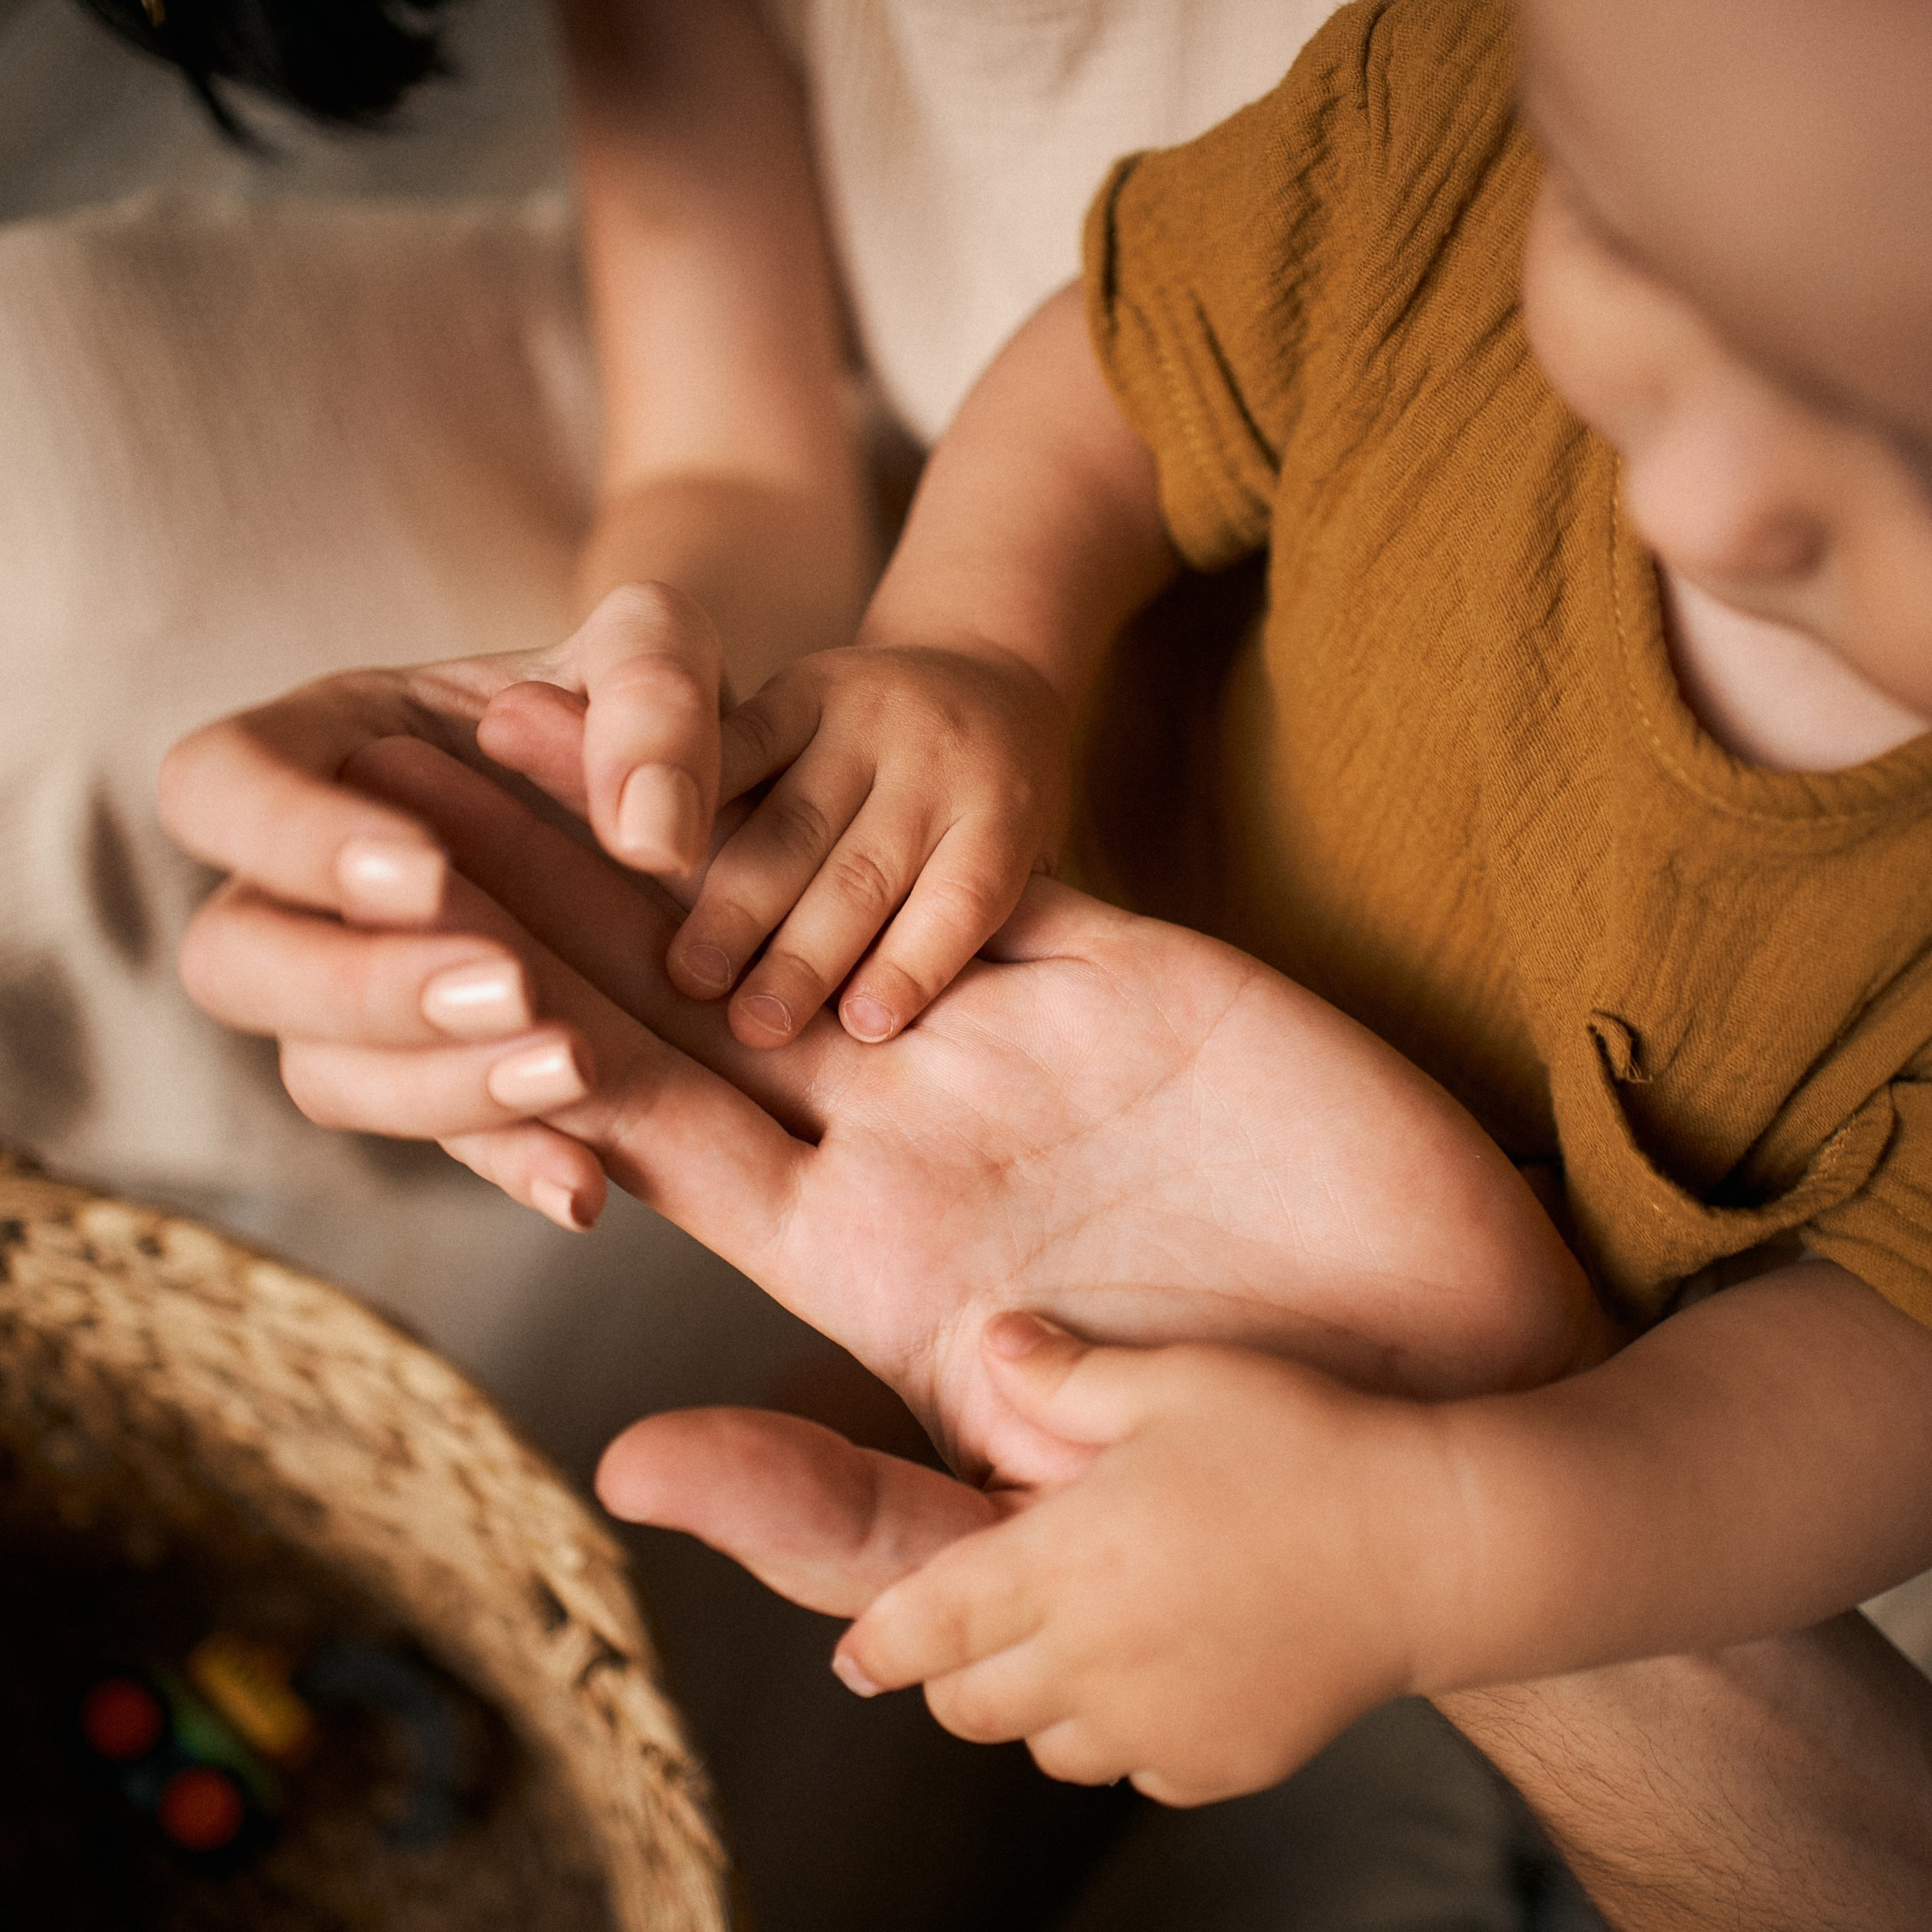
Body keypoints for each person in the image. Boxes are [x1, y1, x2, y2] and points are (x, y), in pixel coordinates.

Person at [154, 0, 1932, 1923]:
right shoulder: (1491, 93)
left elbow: (1871, 1388)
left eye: (1914, 443)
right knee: (937, 1401)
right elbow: (1128, 366)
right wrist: (971, 640)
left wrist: (1445, 1544)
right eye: (1613, 237)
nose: (1697, 490)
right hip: (1065, 957)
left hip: (1546, 1400)